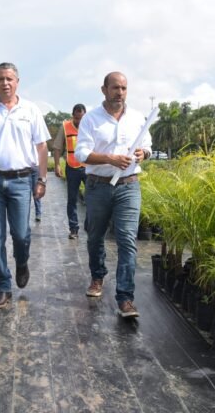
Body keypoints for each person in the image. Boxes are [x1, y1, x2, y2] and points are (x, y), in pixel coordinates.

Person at [0, 62, 50, 309]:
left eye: (9, 79)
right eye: (0, 79)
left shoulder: (31, 110)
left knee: (21, 234)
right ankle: (3, 286)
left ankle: (22, 261)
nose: (5, 83)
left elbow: (42, 147)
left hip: (22, 180)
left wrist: (42, 179)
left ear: (17, 81)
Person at [74, 72, 151, 318]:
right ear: (104, 89)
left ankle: (125, 298)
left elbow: (148, 146)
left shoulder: (138, 117)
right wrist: (109, 158)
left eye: (124, 88)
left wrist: (143, 154)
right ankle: (97, 277)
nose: (120, 92)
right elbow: (81, 154)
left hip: (129, 186)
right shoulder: (91, 119)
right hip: (99, 186)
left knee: (127, 240)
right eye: (115, 87)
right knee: (95, 235)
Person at [53, 104, 87, 239]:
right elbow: (56, 147)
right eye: (77, 119)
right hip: (72, 167)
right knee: (72, 199)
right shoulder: (65, 127)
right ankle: (74, 229)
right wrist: (57, 165)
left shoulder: (89, 126)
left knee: (92, 198)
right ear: (73, 116)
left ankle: (90, 225)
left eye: (82, 119)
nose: (79, 122)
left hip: (88, 167)